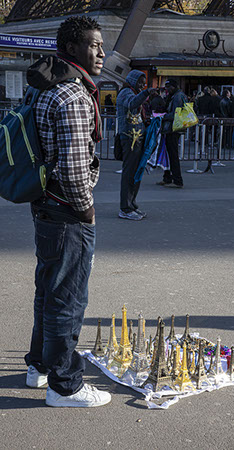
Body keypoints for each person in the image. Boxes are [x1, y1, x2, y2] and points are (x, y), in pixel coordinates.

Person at [24, 16, 111, 408]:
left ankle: (38, 366)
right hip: (67, 211)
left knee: (48, 291)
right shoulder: (73, 96)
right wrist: (88, 210)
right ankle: (65, 385)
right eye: (94, 45)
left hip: (44, 205)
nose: (102, 53)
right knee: (69, 299)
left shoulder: (45, 89)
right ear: (72, 48)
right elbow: (76, 169)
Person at [117, 70, 154, 220]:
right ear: (132, 81)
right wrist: (146, 93)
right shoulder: (126, 92)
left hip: (137, 138)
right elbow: (132, 104)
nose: (142, 85)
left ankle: (131, 204)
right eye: (139, 82)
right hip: (130, 138)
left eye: (143, 82)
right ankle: (125, 208)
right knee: (129, 173)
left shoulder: (132, 92)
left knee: (136, 173)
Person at [157, 78, 187, 188]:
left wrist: (162, 116)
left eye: (169, 87)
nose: (167, 89)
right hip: (170, 128)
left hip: (173, 129)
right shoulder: (174, 96)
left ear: (174, 87)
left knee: (172, 155)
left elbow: (176, 114)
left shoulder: (178, 97)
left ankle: (177, 180)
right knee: (168, 154)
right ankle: (168, 177)